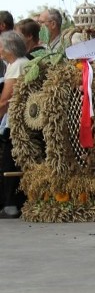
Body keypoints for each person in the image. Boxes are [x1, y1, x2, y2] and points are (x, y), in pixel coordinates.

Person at [0, 31, 29, 218]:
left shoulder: (18, 66)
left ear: (8, 48)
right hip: (17, 122)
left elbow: (5, 100)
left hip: (16, 123)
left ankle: (11, 205)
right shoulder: (18, 64)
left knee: (10, 164)